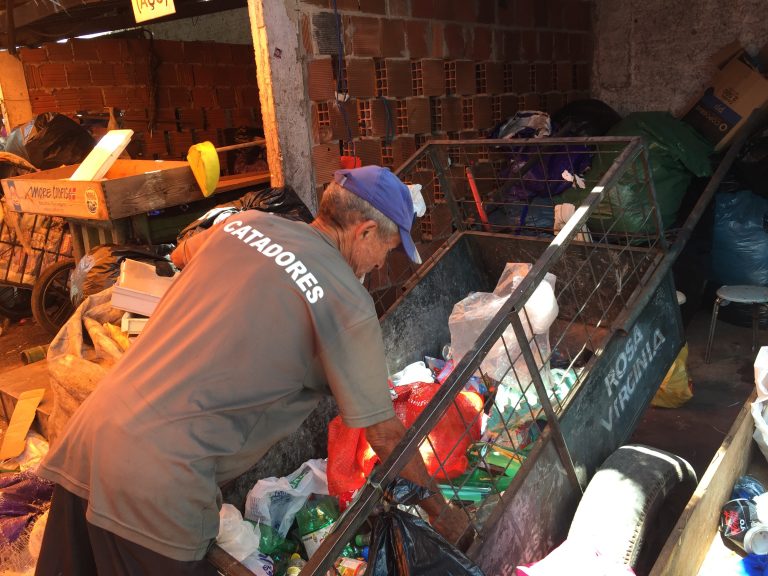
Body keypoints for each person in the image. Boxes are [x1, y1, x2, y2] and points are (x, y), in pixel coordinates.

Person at [35, 165, 468, 575]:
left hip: (90, 438)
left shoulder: (245, 225)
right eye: (386, 251)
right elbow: (385, 436)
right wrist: (444, 516)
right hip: (160, 486)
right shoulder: (347, 303)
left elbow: (184, 254)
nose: (379, 265)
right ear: (365, 230)